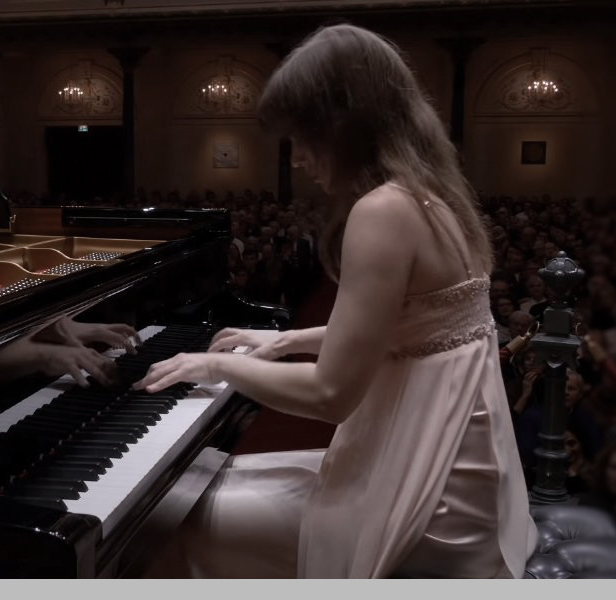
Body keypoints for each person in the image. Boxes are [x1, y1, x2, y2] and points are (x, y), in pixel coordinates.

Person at [135, 23, 535, 578]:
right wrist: (288, 339)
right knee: (219, 481)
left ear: (343, 126)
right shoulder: (436, 196)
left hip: (430, 502)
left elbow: (330, 396)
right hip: (452, 472)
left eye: (301, 136)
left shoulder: (382, 211)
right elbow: (415, 329)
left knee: (173, 519)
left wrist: (214, 363)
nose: (296, 158)